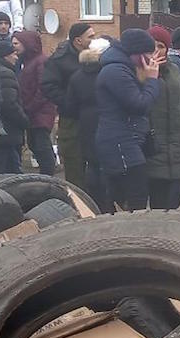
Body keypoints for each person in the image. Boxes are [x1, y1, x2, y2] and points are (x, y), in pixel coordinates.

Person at [96, 29, 163, 211]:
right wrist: (152, 81)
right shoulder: (115, 71)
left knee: (132, 195)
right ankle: (126, 235)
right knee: (134, 197)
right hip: (120, 143)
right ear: (137, 53)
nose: (151, 59)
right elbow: (140, 104)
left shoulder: (122, 68)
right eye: (149, 54)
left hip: (126, 141)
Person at [143, 25, 180, 210]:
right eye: (153, 46)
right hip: (154, 145)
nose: (157, 51)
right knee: (157, 196)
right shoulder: (139, 71)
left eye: (161, 46)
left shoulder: (174, 70)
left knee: (174, 196)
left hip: (176, 144)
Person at [42, 23, 95, 188]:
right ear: (78, 40)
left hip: (93, 119)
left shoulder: (95, 57)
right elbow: (48, 86)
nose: (94, 40)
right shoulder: (60, 60)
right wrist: (69, 104)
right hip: (72, 121)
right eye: (91, 37)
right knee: (75, 167)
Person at [66, 37, 114, 213]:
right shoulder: (108, 73)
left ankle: (94, 202)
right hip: (107, 120)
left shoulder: (77, 76)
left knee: (91, 163)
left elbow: (70, 106)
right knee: (107, 165)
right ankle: (109, 204)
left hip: (85, 123)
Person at [14, 31, 57, 176]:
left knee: (41, 145)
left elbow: (43, 87)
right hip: (32, 111)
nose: (14, 47)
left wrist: (30, 107)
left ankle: (49, 176)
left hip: (40, 112)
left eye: (16, 44)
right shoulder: (25, 62)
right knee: (34, 144)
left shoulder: (41, 61)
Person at [0, 39, 29, 175]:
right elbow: (9, 104)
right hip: (7, 134)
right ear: (5, 55)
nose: (16, 57)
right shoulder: (5, 74)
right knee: (9, 172)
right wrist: (24, 121)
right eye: (13, 54)